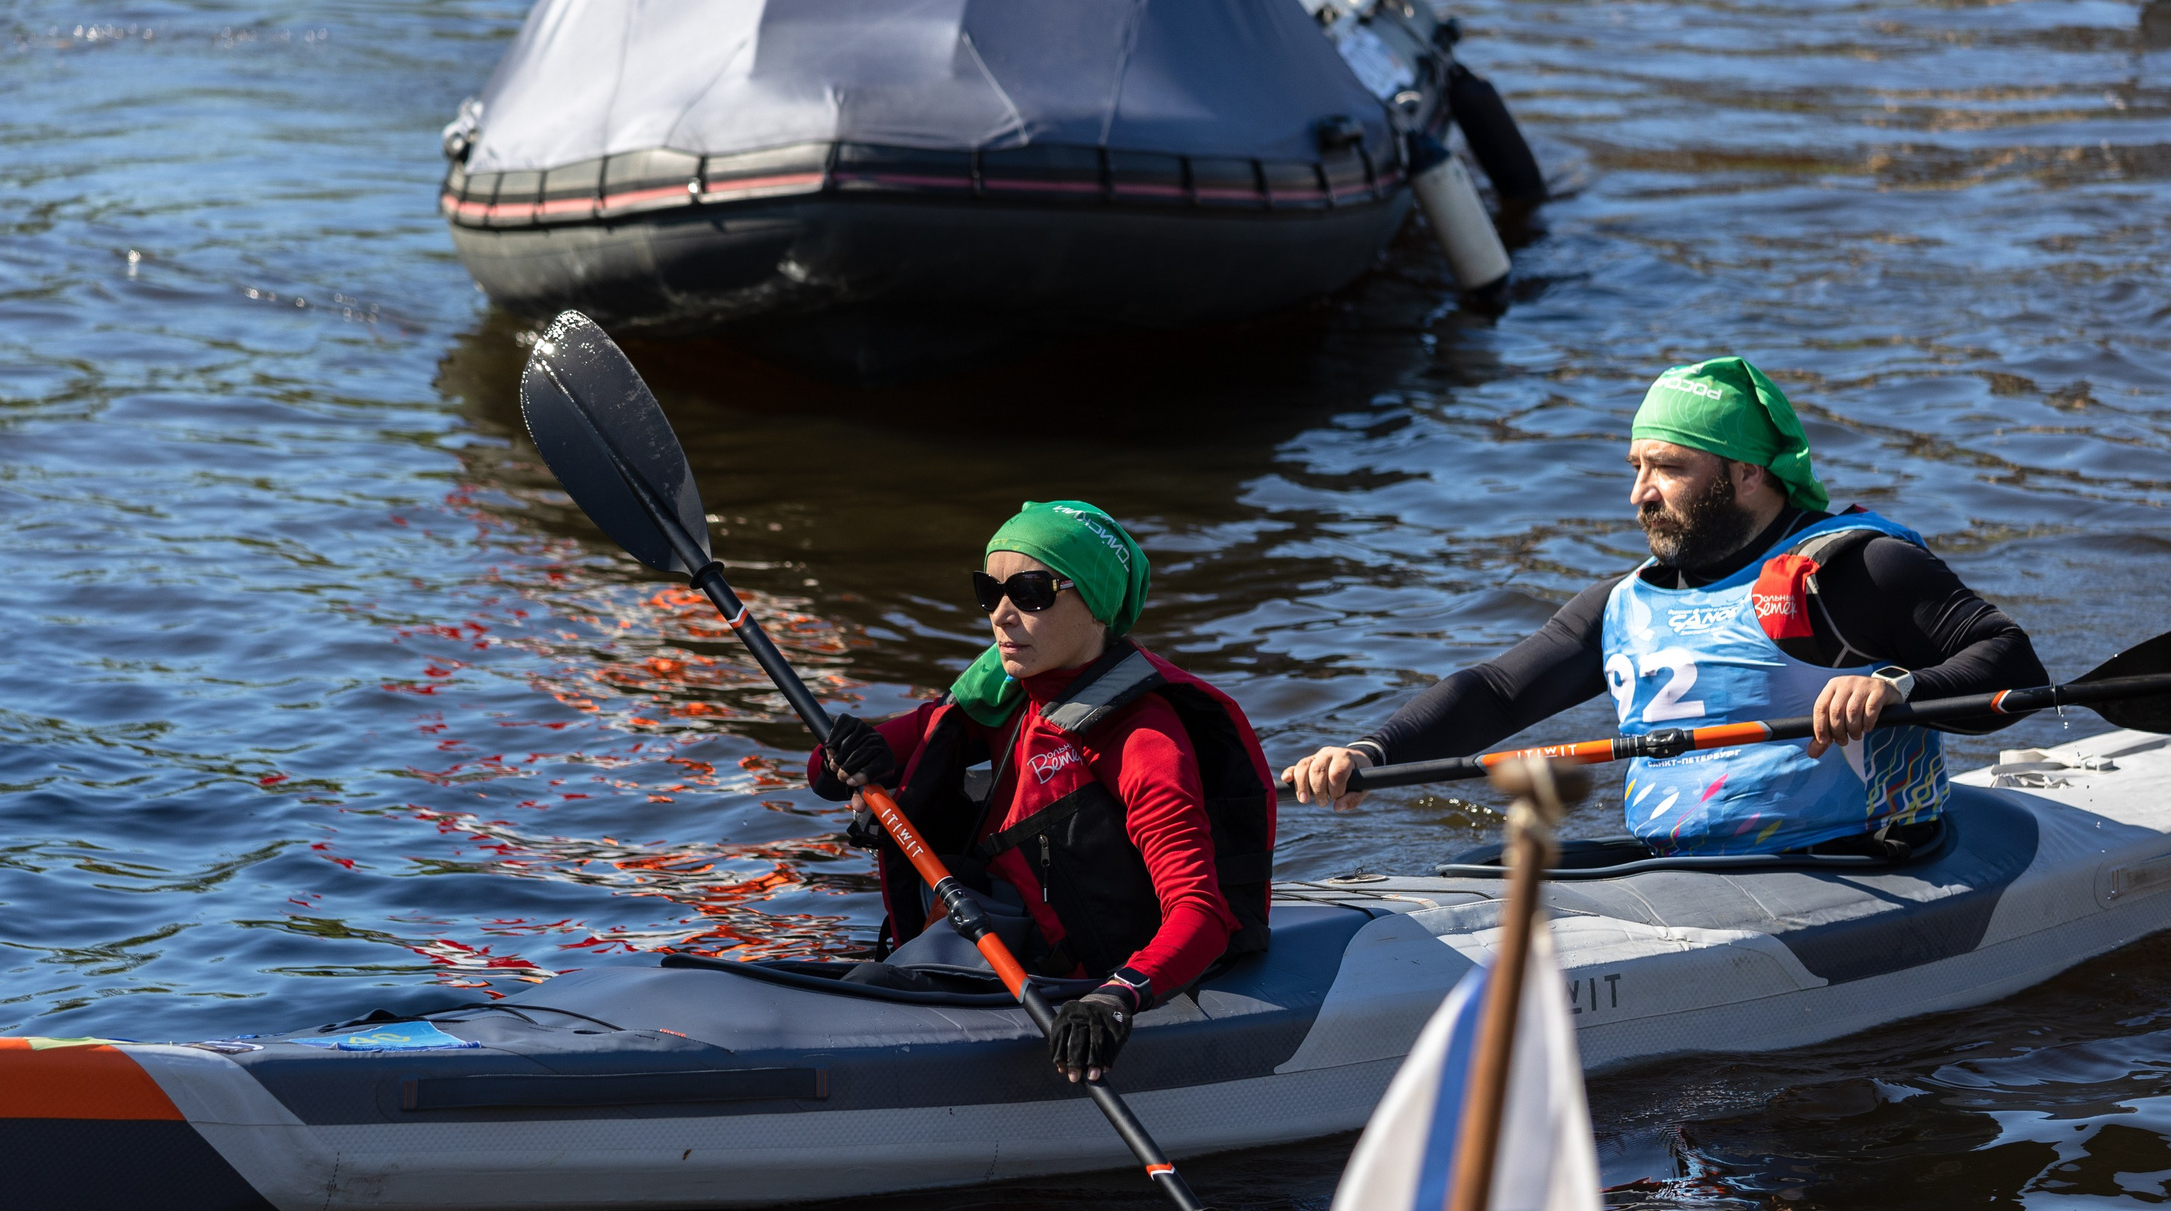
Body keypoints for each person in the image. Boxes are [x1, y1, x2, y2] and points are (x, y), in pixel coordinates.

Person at [1284, 357, 2048, 859]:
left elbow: (2011, 658)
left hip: (1855, 858)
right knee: (1481, 865)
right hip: (1678, 872)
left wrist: (1896, 688)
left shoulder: (1851, 570)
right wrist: (1366, 754)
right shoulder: (1622, 603)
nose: (1639, 491)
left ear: (1748, 474)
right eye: (1637, 466)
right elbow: (1497, 690)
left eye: (1669, 467)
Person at [808, 501, 1274, 1084]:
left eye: (1030, 591)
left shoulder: (1143, 738)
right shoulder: (1001, 694)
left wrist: (1115, 999)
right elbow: (821, 775)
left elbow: (1203, 914)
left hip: (1078, 980)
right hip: (986, 940)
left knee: (871, 987)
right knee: (867, 983)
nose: (1001, 615)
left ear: (1096, 603)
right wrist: (845, 755)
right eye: (989, 591)